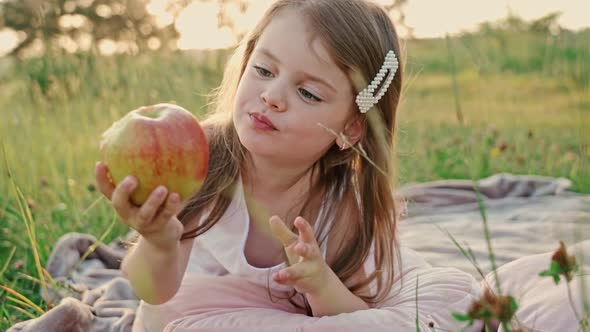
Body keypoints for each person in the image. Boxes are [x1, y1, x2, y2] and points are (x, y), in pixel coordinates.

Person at [95, 0, 480, 331]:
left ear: (350, 127)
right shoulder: (201, 155)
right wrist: (159, 240)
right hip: (185, 319)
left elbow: (356, 321)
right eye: (264, 70)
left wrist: (320, 284)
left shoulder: (342, 207)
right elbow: (153, 293)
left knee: (461, 302)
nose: (272, 96)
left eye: (308, 92)